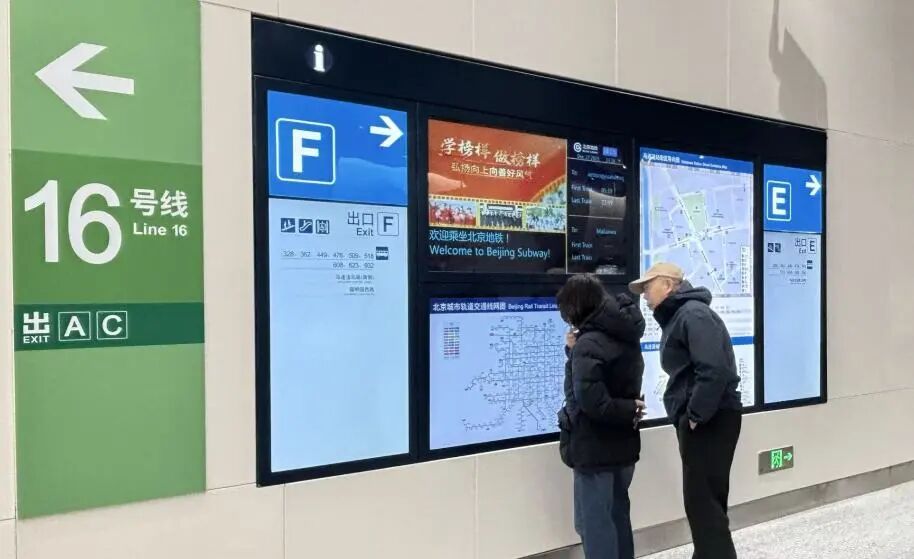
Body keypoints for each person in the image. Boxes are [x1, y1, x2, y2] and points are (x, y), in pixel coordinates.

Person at [629, 262, 743, 559]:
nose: (644, 295)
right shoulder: (683, 316)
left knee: (703, 503)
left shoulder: (693, 315)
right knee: (704, 502)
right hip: (707, 417)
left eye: (648, 287)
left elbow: (714, 370)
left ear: (668, 285)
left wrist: (695, 415)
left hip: (710, 419)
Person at [556, 274, 646, 559]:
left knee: (593, 526)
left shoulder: (588, 344)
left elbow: (590, 402)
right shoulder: (626, 335)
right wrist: (630, 409)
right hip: (624, 444)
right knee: (617, 517)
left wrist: (574, 354)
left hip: (594, 449)